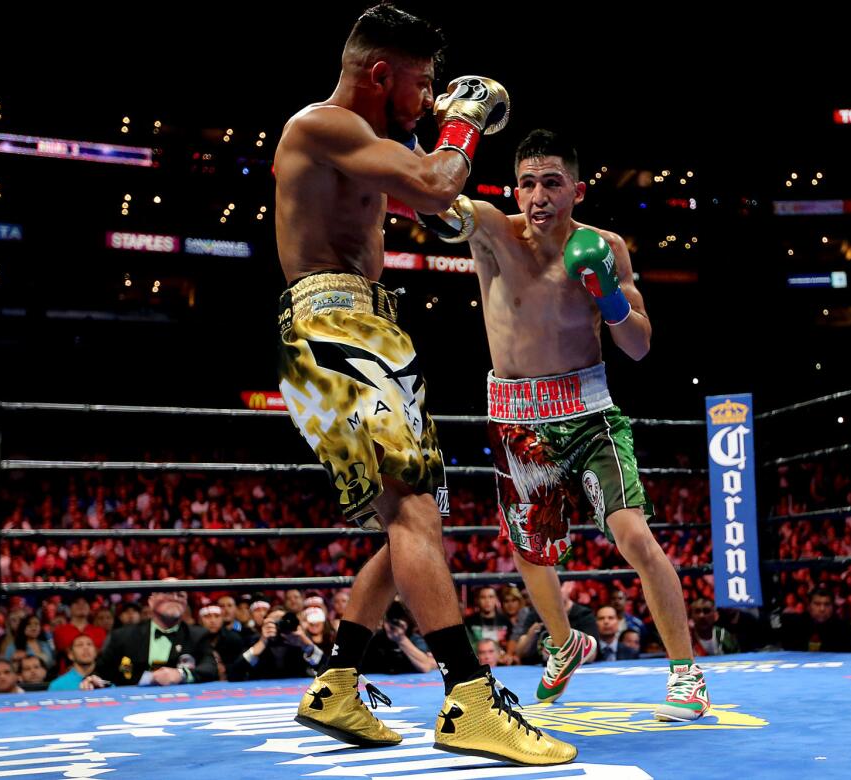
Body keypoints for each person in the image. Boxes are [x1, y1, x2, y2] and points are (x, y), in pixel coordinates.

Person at [272, 4, 571, 765]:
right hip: (336, 327)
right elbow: (438, 181)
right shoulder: (322, 125)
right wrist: (464, 121)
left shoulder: (365, 143)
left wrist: (440, 156)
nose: (433, 95)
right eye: (425, 81)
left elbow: (434, 203)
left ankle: (338, 682)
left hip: (366, 328)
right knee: (413, 515)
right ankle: (469, 699)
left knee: (412, 521)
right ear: (382, 74)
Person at [452, 128, 707, 721]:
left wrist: (610, 298)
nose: (537, 196)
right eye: (527, 183)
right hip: (516, 418)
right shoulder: (492, 230)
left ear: (578, 190)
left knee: (635, 536)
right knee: (531, 552)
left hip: (588, 411)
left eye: (551, 183)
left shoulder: (605, 246)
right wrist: (451, 133)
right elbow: (433, 202)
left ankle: (686, 675)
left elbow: (639, 348)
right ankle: (566, 644)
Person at [89, 586, 216, 687]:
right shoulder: (123, 636)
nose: (174, 598)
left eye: (180, 595)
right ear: (151, 601)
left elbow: (210, 669)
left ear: (185, 604)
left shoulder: (197, 635)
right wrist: (93, 680)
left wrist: (181, 674)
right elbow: (101, 673)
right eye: (167, 592)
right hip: (131, 706)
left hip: (182, 703)